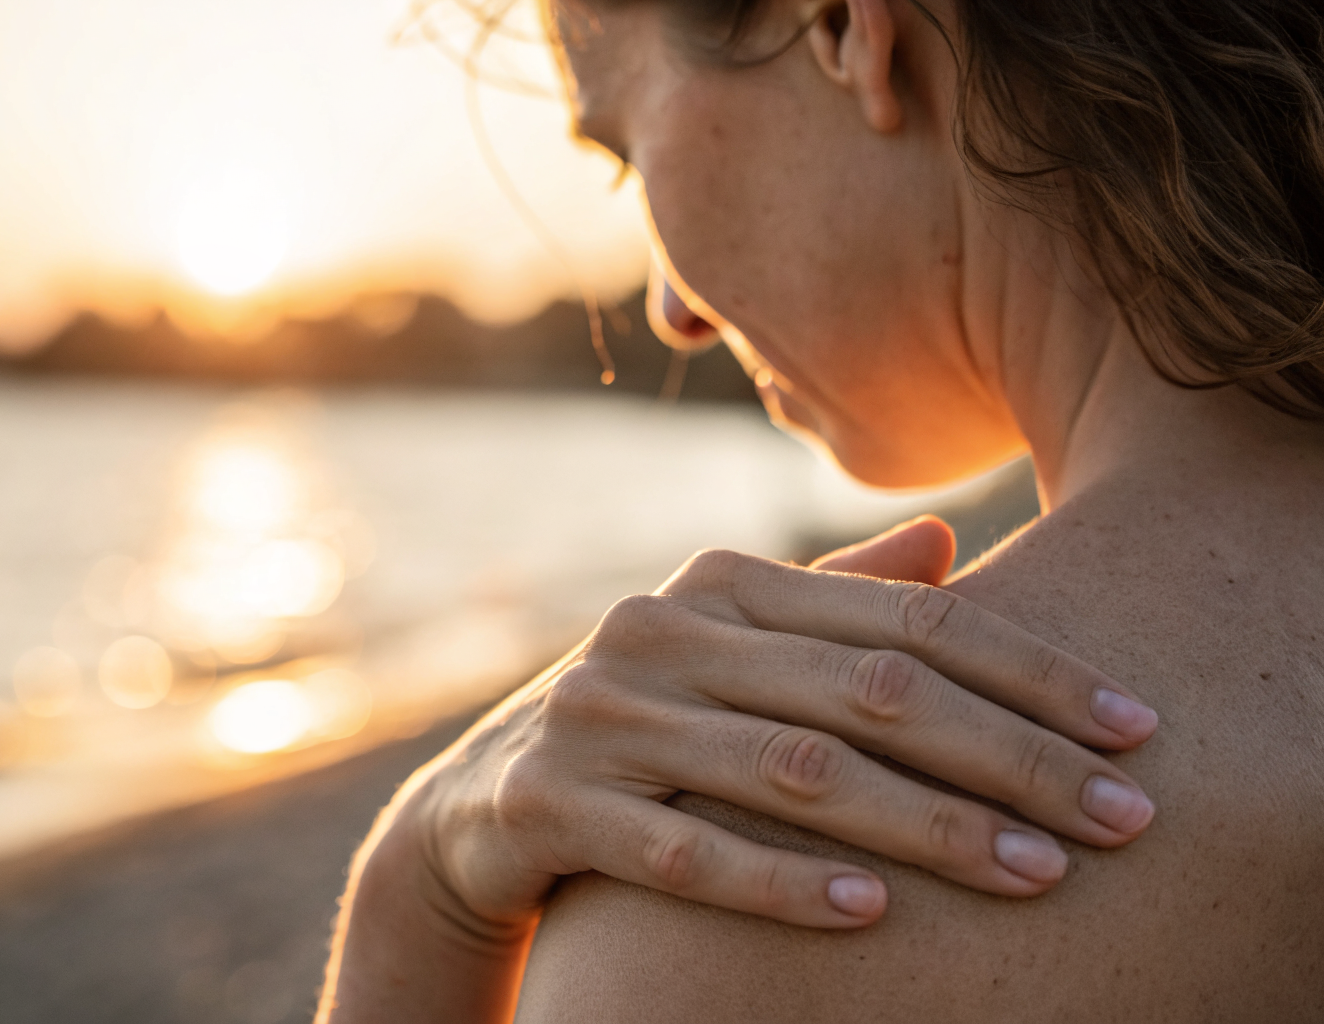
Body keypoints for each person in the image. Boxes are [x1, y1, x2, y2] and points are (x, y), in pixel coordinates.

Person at [319, 0, 1324, 1019]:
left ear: (845, 28)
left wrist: (421, 884)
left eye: (626, 153)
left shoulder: (742, 904)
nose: (675, 311)